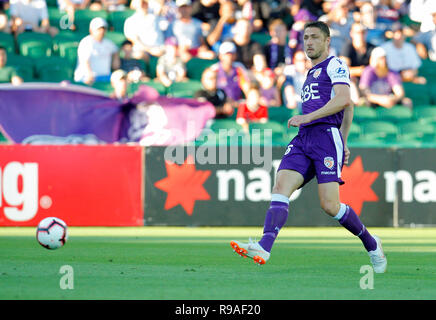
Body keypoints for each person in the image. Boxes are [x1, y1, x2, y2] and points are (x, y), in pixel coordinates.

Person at [230, 21, 387, 274]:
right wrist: (315, 126)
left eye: (314, 37)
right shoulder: (310, 73)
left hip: (325, 138)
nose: (309, 42)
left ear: (327, 41)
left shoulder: (334, 65)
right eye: (305, 38)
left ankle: (371, 243)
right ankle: (264, 246)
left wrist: (332, 134)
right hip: (304, 139)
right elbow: (346, 106)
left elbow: (346, 101)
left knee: (330, 206)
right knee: (280, 186)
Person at [74, 17, 120, 85]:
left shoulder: (109, 43)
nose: (101, 31)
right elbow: (84, 60)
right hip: (85, 77)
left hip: (105, 76)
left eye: (103, 29)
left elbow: (116, 50)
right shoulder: (86, 42)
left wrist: (115, 60)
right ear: (91, 30)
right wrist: (89, 74)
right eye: (99, 29)